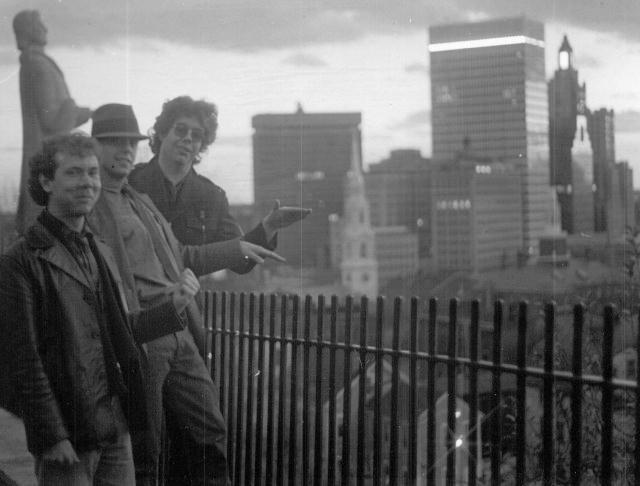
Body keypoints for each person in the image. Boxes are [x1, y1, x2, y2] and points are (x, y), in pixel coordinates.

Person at [87, 103, 286, 485]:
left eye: (130, 143)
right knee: (146, 447)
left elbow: (182, 255)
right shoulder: (93, 204)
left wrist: (241, 245)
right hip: (144, 332)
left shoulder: (140, 200)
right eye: (114, 142)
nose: (125, 150)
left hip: (180, 327)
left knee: (209, 432)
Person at [0, 133, 199, 485]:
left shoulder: (97, 250)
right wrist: (51, 435)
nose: (87, 182)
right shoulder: (22, 260)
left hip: (114, 425)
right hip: (69, 432)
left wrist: (175, 307)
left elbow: (120, 331)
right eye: (73, 172)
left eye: (92, 172)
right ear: (46, 182)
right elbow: (23, 359)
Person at [128, 95, 310, 249]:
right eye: (180, 130)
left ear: (202, 144)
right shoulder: (130, 183)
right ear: (162, 133)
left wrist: (269, 226)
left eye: (196, 135)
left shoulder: (211, 197)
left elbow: (240, 257)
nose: (188, 139)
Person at [13, 10, 92, 235]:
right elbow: (52, 121)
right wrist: (75, 108)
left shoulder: (36, 63)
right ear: (29, 29)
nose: (45, 29)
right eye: (39, 24)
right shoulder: (37, 64)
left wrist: (85, 113)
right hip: (48, 158)